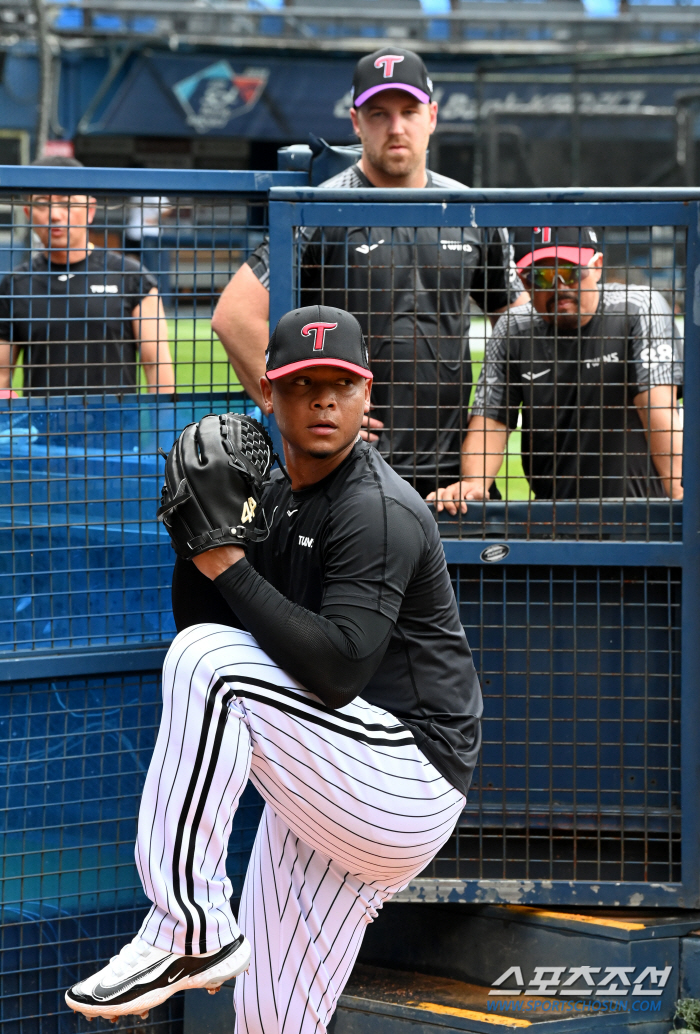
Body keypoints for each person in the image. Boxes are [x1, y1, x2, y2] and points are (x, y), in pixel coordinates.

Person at [66, 304, 482, 1030]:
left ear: (366, 395)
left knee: (207, 665)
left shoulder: (377, 507)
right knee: (273, 1014)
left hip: (406, 776)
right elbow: (210, 625)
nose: (323, 399)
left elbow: (340, 668)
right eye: (302, 383)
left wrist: (225, 561)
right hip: (329, 786)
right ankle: (198, 934)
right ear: (268, 391)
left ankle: (187, 929)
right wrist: (197, 544)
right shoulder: (271, 492)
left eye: (340, 383)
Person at [212, 46, 524, 500]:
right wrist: (298, 414)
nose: (396, 127)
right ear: (356, 123)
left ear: (432, 116)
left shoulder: (469, 209)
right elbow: (234, 317)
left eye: (409, 111)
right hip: (352, 470)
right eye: (378, 114)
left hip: (457, 477)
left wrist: (486, 428)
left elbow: (516, 325)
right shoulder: (321, 208)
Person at [428, 226, 684, 510]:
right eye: (543, 276)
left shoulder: (639, 308)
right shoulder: (514, 328)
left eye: (572, 272)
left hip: (641, 513)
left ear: (597, 267)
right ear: (524, 283)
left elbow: (659, 410)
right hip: (553, 516)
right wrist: (474, 485)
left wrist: (679, 495)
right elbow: (490, 423)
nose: (560, 285)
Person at [0, 156, 175, 395]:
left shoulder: (131, 277)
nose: (55, 215)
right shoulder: (15, 285)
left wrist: (164, 430)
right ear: (28, 212)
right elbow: (1, 373)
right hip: (44, 430)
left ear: (90, 210)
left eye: (68, 203)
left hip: (116, 430)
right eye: (42, 203)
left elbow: (157, 365)